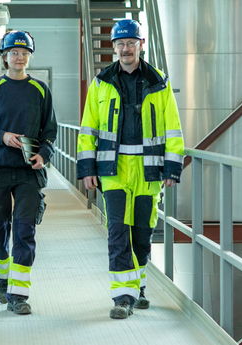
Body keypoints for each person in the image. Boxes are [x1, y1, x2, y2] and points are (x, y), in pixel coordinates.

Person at [77, 19, 184, 319]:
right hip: (113, 169)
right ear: (113, 48)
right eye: (120, 44)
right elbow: (88, 130)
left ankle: (138, 286)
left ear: (141, 45)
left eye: (131, 43)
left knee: (141, 234)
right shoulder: (101, 83)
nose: (126, 49)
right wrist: (88, 168)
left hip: (148, 172)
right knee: (117, 233)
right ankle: (123, 297)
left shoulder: (158, 82)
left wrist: (172, 168)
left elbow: (173, 129)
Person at [0, 30, 57, 315]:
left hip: (27, 173)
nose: (19, 57)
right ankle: (2, 277)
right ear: (4, 56)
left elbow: (50, 132)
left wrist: (43, 155)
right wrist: (2, 136)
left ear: (29, 56)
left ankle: (18, 294)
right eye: (14, 53)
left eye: (24, 53)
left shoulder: (41, 90)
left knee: (24, 230)